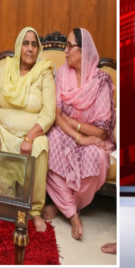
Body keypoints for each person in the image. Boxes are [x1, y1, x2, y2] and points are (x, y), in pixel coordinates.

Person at [0, 27, 56, 232]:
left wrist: (29, 138)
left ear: (38, 49)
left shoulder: (44, 72)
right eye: (25, 43)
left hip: (31, 134)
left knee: (40, 147)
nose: (30, 49)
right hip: (3, 130)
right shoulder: (7, 69)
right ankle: (2, 199)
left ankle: (34, 210)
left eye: (34, 44)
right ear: (19, 46)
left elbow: (49, 113)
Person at [43, 28, 115, 241]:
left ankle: (63, 205)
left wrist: (76, 126)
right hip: (65, 132)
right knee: (49, 142)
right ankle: (72, 215)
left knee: (98, 156)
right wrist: (80, 136)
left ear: (84, 51)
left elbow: (101, 131)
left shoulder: (101, 81)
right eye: (65, 45)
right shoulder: (62, 74)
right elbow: (57, 116)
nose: (65, 51)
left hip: (94, 138)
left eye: (70, 46)